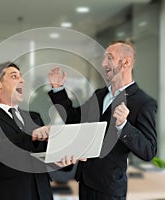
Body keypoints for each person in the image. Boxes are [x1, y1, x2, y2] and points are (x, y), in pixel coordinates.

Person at [48, 40, 157, 200]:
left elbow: (149, 150)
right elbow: (73, 119)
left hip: (109, 189)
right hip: (85, 183)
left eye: (110, 58)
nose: (103, 63)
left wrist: (124, 126)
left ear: (126, 62)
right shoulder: (100, 95)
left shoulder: (143, 102)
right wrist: (58, 90)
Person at [0, 62, 76, 200]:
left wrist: (62, 159)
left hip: (42, 194)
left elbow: (45, 155)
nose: (22, 80)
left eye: (21, 77)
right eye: (14, 76)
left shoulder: (34, 117)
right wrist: (31, 136)